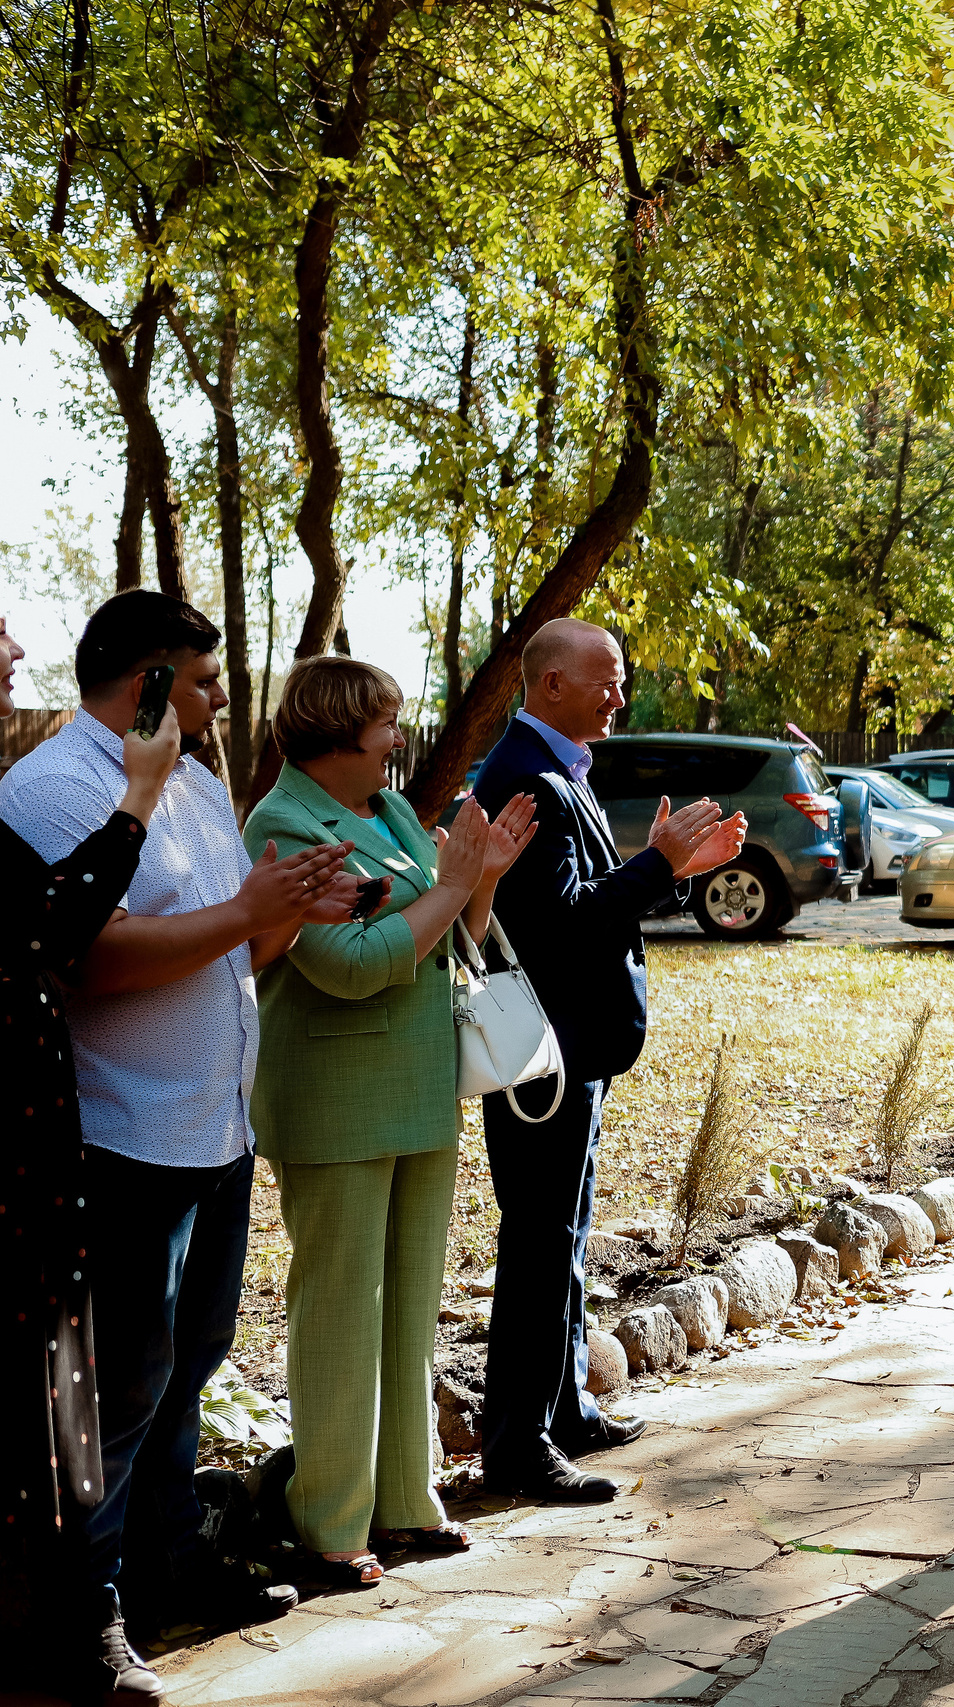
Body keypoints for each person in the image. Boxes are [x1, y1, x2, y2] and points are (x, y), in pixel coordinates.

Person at [0, 591, 358, 1676]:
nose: (217, 699)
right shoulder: (53, 788)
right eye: (199, 681)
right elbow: (89, 955)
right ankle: (89, 1616)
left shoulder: (196, 781)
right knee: (113, 1390)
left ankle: (171, 1568)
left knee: (188, 1365)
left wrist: (293, 908)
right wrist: (250, 915)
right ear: (147, 678)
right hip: (123, 1137)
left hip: (212, 1128)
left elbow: (226, 953)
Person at [242, 657, 539, 1585]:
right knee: (340, 1310)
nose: (400, 738)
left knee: (411, 1304)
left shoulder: (398, 811)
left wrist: (479, 877)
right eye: (386, 724)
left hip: (417, 1091)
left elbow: (452, 931)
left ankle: (406, 1502)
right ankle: (329, 1524)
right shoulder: (283, 822)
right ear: (337, 731)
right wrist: (444, 891)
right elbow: (351, 962)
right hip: (334, 1099)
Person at [472, 619, 744, 1500]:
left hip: (576, 1048)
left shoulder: (559, 766)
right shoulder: (523, 776)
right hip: (541, 1059)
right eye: (607, 681)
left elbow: (597, 903)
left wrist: (674, 867)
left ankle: (564, 1409)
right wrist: (657, 863)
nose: (620, 697)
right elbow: (566, 924)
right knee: (540, 1240)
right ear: (550, 684)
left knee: (569, 1233)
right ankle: (516, 1443)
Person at [0, 614, 181, 1702]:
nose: (16, 658)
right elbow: (48, 932)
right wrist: (138, 802)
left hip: (35, 1156)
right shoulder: (49, 789)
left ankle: (74, 1626)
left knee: (61, 1404)